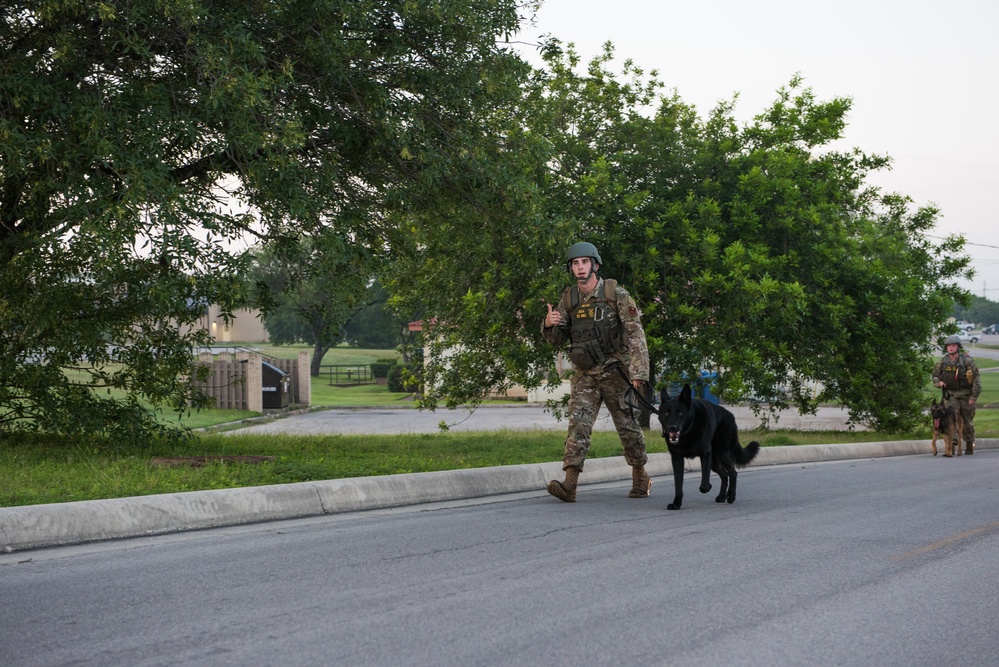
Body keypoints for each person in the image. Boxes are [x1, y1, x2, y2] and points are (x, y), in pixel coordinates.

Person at [541, 242, 651, 501]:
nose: (580, 267)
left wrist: (639, 373)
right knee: (578, 424)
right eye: (575, 263)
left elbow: (635, 333)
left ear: (595, 265)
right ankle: (570, 484)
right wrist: (548, 325)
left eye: (584, 262)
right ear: (571, 268)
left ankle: (640, 475)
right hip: (585, 373)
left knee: (627, 426)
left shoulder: (616, 294)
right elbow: (558, 339)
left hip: (615, 371)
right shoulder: (569, 299)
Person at [931, 334, 981, 455]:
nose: (951, 348)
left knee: (967, 422)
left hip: (966, 395)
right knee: (951, 420)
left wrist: (973, 397)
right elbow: (934, 376)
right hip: (951, 395)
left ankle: (969, 444)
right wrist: (939, 383)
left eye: (953, 345)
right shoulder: (943, 361)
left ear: (958, 347)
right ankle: (952, 446)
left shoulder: (967, 361)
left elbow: (976, 380)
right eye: (949, 345)